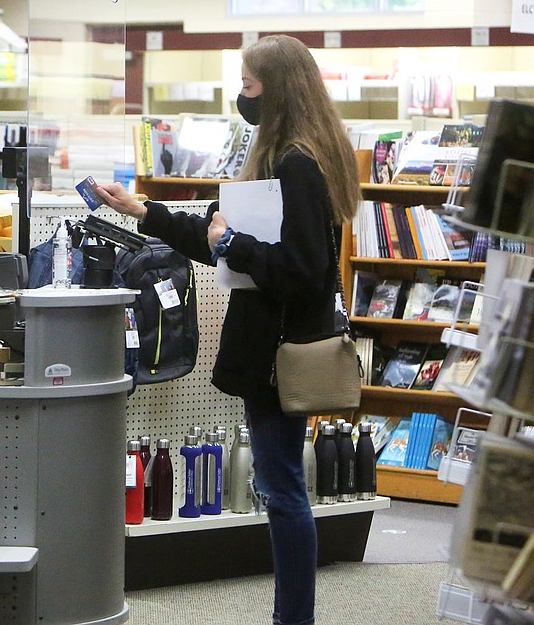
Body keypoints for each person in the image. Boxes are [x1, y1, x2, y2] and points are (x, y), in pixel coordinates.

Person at [96, 34, 360, 625]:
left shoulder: (296, 165)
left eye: (247, 86)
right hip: (278, 347)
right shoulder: (302, 156)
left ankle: (293, 618)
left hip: (277, 354)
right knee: (282, 486)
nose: (241, 98)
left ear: (278, 90)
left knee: (283, 490)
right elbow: (219, 244)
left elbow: (298, 269)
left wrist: (233, 243)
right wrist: (146, 213)